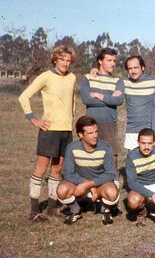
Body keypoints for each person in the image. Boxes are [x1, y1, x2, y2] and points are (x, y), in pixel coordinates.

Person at [18, 45, 76, 222]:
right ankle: (34, 211)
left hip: (66, 130)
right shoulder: (46, 76)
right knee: (41, 169)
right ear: (55, 59)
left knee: (57, 169)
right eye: (62, 59)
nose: (65, 63)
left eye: (68, 60)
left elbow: (72, 102)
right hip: (49, 130)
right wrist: (33, 119)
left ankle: (51, 207)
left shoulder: (72, 77)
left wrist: (71, 124)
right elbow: (23, 97)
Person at [57, 116, 119, 225]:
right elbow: (67, 173)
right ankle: (75, 210)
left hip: (100, 185)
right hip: (79, 184)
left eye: (96, 132)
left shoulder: (105, 147)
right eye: (90, 133)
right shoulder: (72, 147)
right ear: (80, 134)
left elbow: (110, 174)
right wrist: (85, 184)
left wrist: (91, 184)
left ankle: (105, 210)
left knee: (112, 192)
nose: (95, 135)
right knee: (62, 190)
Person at [80, 48, 124, 171]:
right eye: (109, 60)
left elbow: (118, 101)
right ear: (100, 61)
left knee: (111, 154)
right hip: (91, 123)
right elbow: (86, 99)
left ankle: (113, 182)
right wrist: (110, 99)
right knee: (90, 154)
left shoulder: (117, 81)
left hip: (109, 123)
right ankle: (92, 184)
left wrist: (99, 96)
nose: (113, 64)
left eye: (114, 61)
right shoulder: (88, 77)